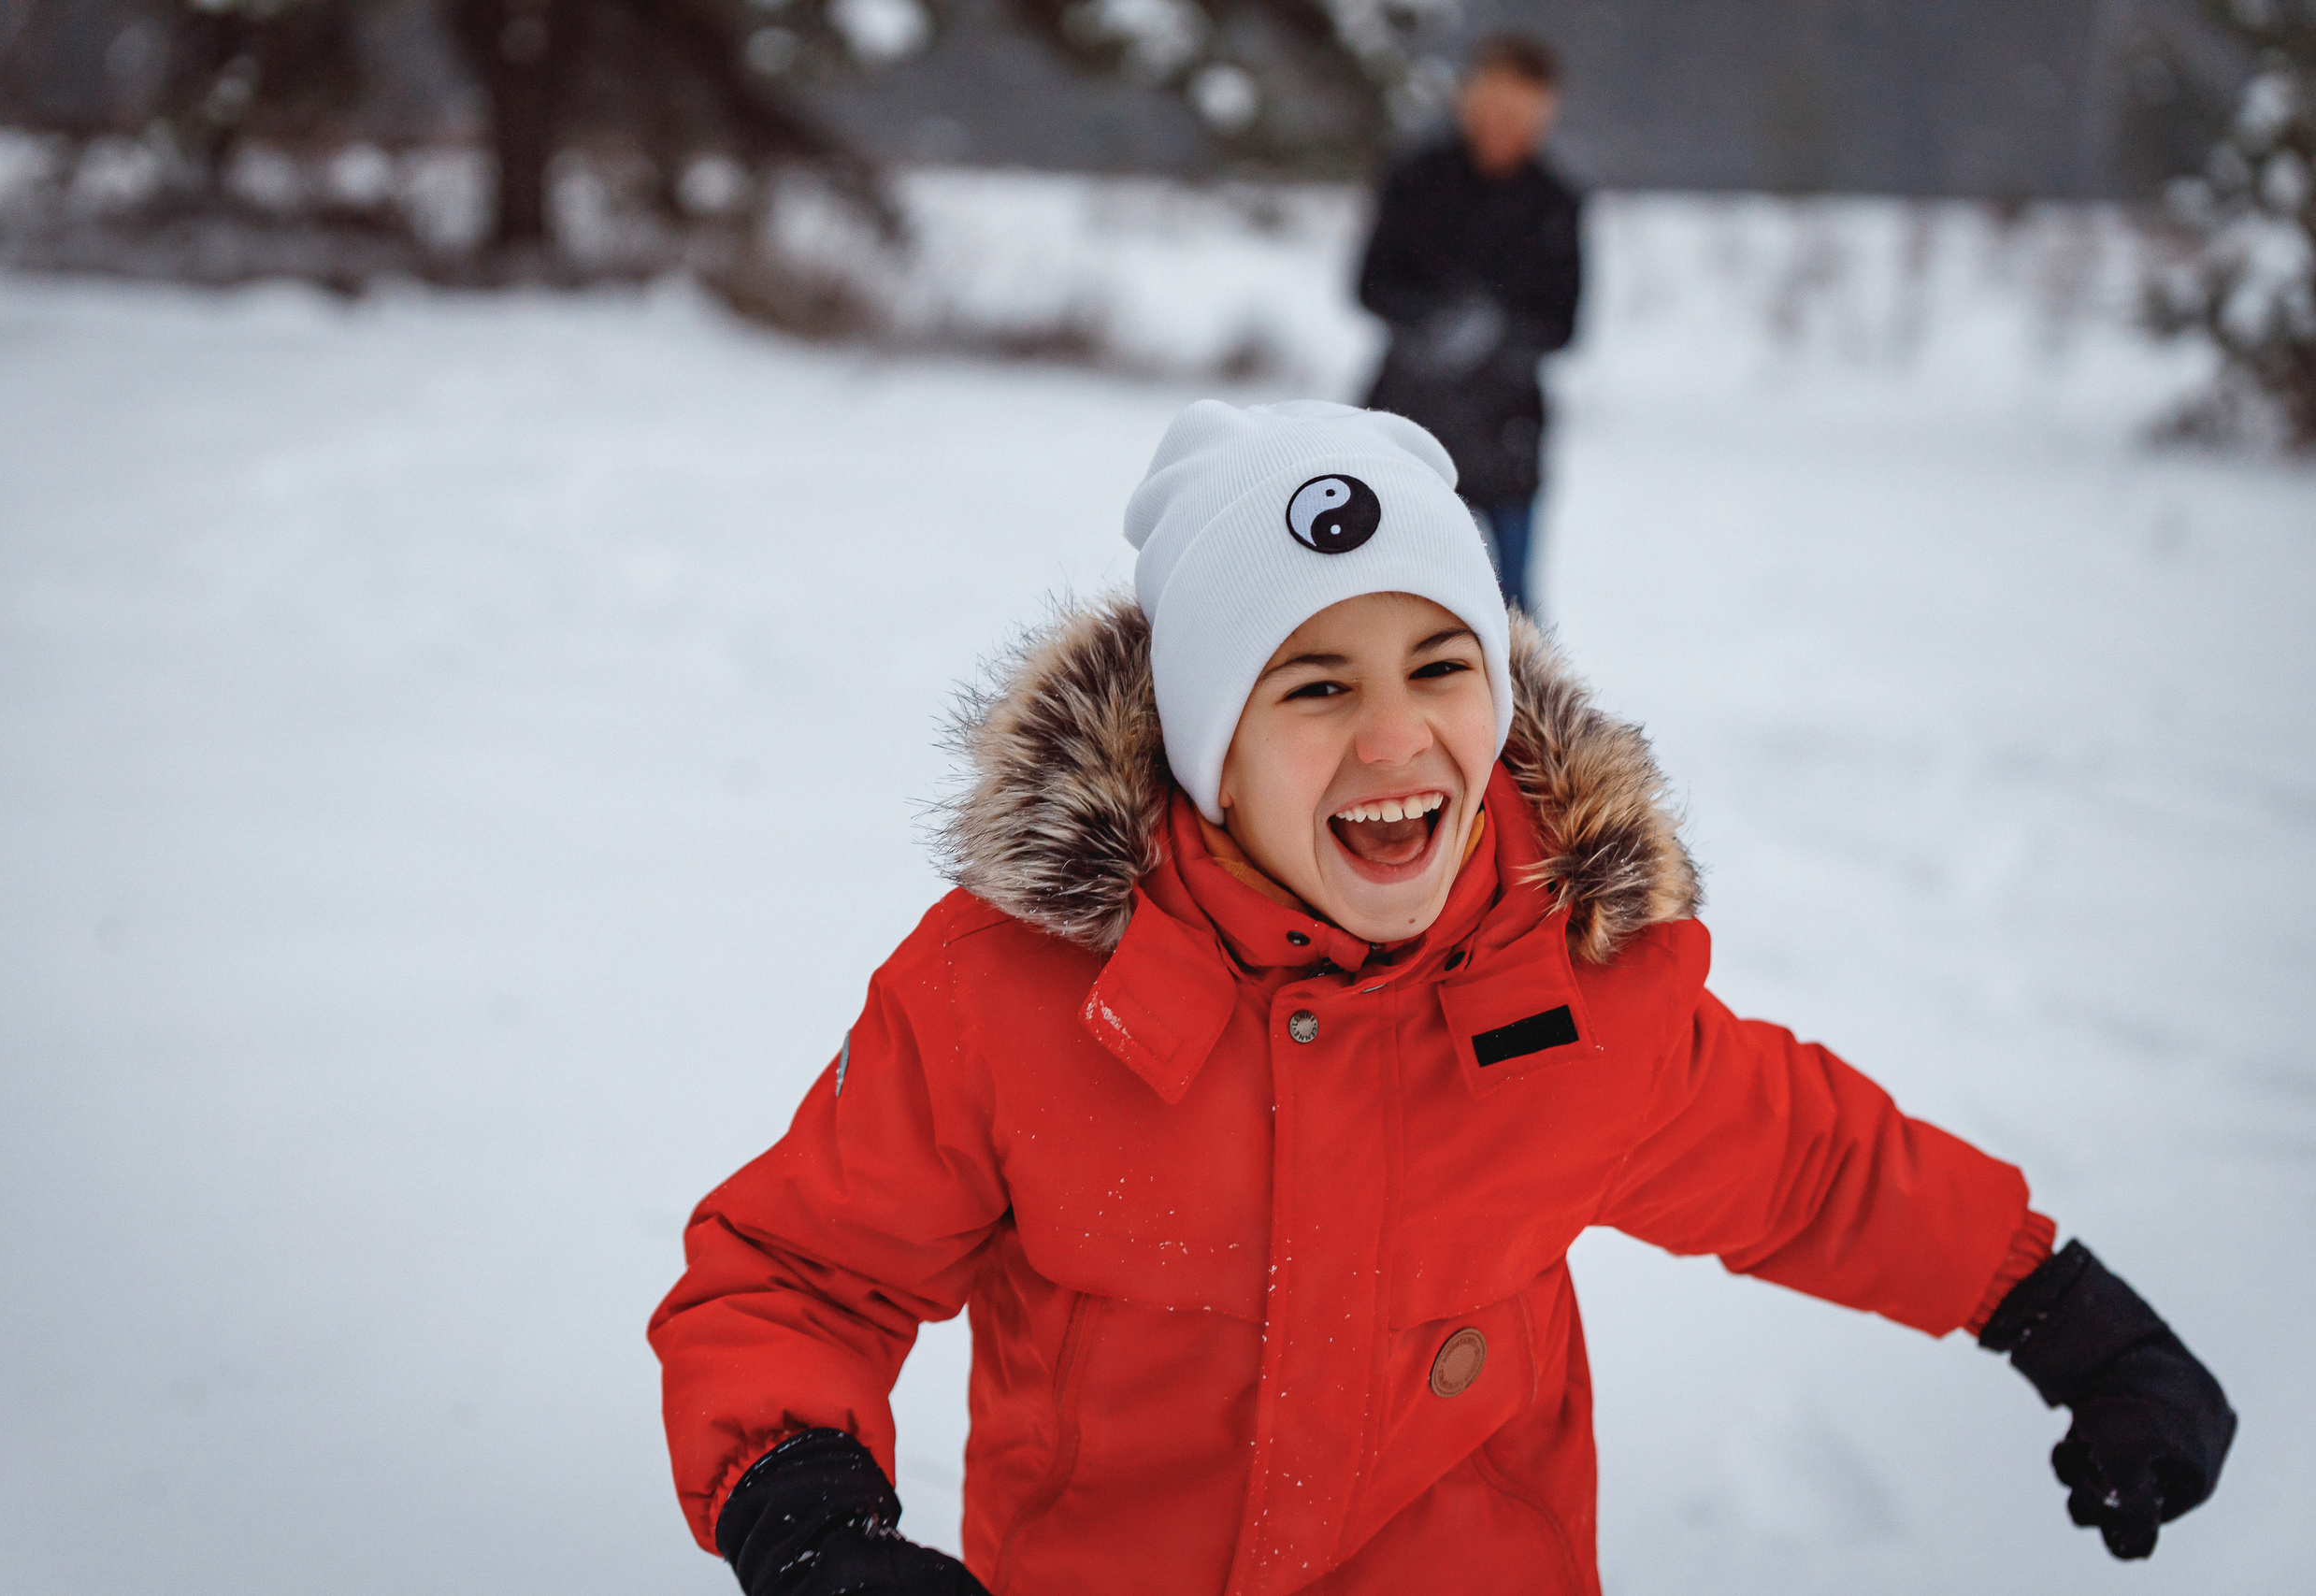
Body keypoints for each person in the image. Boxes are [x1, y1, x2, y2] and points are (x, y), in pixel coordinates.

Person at [649, 401, 2235, 1595]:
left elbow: (1814, 1166)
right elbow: (794, 1273)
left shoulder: (1571, 984)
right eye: (1316, 683)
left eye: (1439, 662)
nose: (1398, 735)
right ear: (1206, 745)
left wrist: (2068, 1317)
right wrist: (805, 1507)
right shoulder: (1012, 1000)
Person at [1358, 34, 1580, 617]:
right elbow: (1368, 285)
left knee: (1515, 614)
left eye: (1525, 116)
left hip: (1508, 433)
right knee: (1385, 597)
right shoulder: (1415, 179)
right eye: (1498, 109)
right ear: (1469, 99)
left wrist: (1499, 332)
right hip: (1407, 425)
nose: (1508, 127)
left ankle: (1517, 711)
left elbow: (1564, 324)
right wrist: (1434, 322)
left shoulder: (1555, 201)